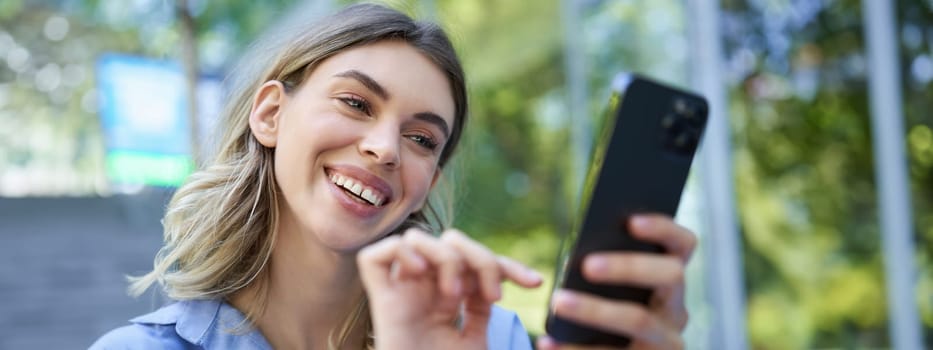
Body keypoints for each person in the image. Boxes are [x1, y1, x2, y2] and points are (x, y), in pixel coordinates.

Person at [91, 3, 696, 350]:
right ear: (271, 113)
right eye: (356, 104)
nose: (385, 149)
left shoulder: (492, 339)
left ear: (428, 184)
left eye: (422, 139)